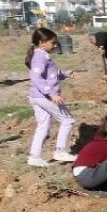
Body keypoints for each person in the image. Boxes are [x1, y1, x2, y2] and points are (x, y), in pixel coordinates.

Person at [26, 28, 78, 168]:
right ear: (41, 42)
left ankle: (34, 157)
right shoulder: (40, 57)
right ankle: (60, 151)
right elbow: (36, 77)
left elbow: (51, 74)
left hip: (36, 96)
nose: (55, 45)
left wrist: (66, 74)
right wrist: (51, 93)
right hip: (44, 97)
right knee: (67, 120)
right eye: (53, 43)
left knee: (43, 126)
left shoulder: (42, 55)